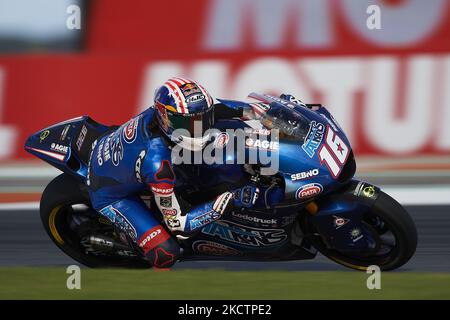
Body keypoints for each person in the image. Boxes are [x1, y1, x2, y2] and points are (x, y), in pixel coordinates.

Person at [86, 77, 259, 268]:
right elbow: (179, 225)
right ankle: (128, 242)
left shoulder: (168, 115)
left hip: (120, 153)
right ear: (165, 118)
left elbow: (220, 109)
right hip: (109, 192)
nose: (199, 127)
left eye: (202, 119)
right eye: (190, 123)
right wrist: (227, 202)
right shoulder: (157, 165)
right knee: (166, 253)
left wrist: (262, 112)